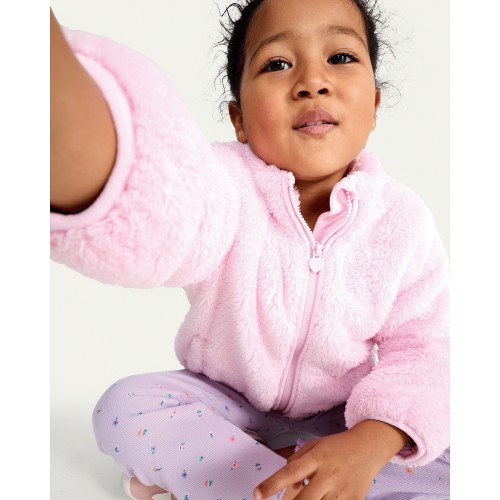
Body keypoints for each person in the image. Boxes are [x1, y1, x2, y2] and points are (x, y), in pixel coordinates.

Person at [50, 0, 450, 498]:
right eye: (277, 64)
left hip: (345, 419)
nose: (312, 82)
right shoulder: (223, 190)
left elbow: (426, 350)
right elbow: (162, 214)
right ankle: (288, 481)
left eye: (341, 57)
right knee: (124, 407)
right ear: (238, 119)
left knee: (451, 437)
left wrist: (369, 441)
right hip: (225, 403)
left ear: (374, 103)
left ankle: (234, 475)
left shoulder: (402, 221)